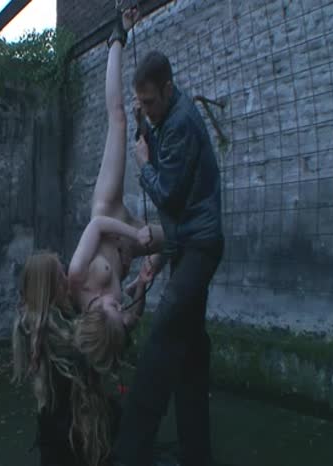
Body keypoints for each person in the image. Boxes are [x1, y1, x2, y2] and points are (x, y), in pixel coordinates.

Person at [111, 24, 225, 466]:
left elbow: (170, 197)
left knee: (161, 338)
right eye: (139, 102)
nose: (145, 110)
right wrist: (159, 258)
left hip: (201, 247)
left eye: (150, 102)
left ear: (169, 89)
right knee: (191, 354)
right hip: (187, 244)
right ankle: (197, 454)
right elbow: (178, 207)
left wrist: (143, 163)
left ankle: (129, 453)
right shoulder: (162, 117)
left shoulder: (179, 123)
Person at [66, 7, 165, 373]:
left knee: (118, 119)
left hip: (108, 212)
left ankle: (115, 38)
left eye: (114, 307)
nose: (117, 304)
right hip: (129, 245)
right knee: (177, 238)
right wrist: (141, 283)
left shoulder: (77, 278)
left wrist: (133, 234)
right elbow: (132, 316)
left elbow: (96, 227)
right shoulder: (116, 322)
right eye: (119, 310)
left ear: (94, 314)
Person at [12, 251, 147, 466]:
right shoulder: (51, 331)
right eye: (60, 277)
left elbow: (113, 330)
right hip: (70, 427)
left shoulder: (48, 318)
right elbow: (104, 337)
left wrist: (138, 288)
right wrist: (108, 311)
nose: (67, 279)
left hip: (66, 424)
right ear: (48, 288)